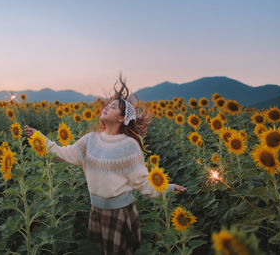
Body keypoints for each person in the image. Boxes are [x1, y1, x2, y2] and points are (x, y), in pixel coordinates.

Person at [24, 76, 187, 255]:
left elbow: (143, 183)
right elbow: (64, 154)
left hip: (120, 213)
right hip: (97, 211)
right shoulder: (90, 140)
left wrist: (169, 187)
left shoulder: (129, 145)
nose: (107, 107)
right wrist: (38, 137)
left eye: (113, 107)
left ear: (121, 118)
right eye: (108, 105)